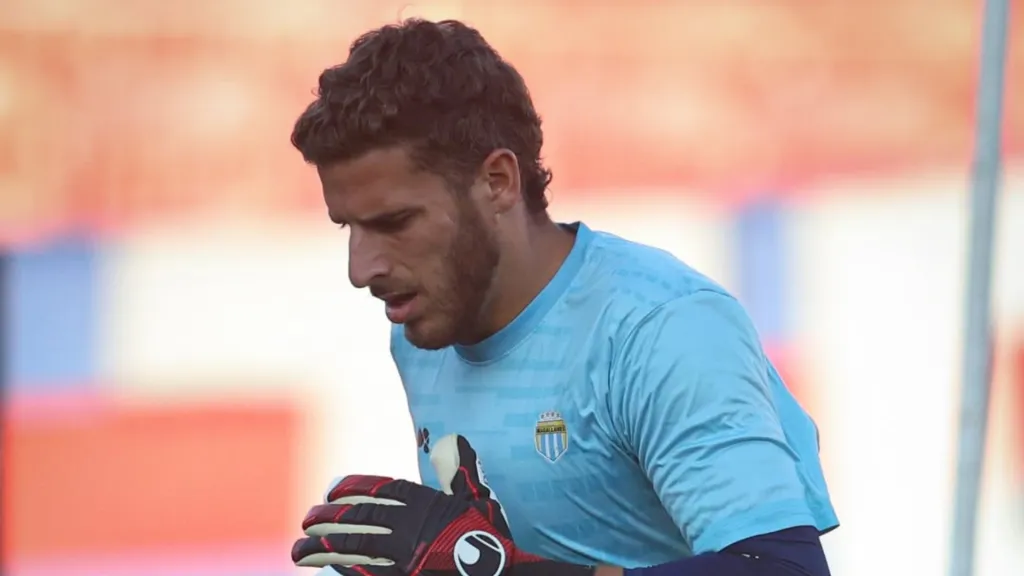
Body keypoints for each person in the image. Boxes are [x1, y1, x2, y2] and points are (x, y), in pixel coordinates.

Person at [287, 18, 838, 576]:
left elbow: (783, 570)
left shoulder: (658, 328)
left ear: (498, 182)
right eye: (348, 227)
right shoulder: (422, 330)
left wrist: (499, 571)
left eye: (395, 222)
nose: (361, 269)